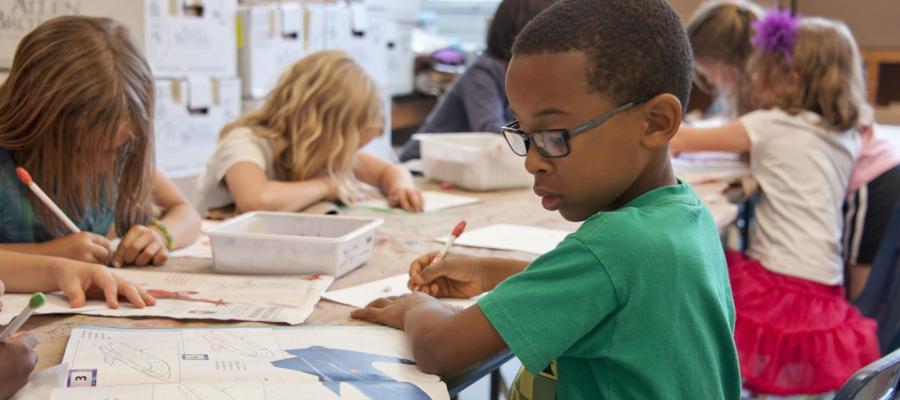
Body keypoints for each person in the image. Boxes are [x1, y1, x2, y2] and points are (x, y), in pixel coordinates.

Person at [353, 0, 741, 398]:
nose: (533, 162)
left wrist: (415, 309)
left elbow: (441, 348)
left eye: (555, 137)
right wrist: (488, 271)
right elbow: (614, 287)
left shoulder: (615, 245)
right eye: (525, 135)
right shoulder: (684, 216)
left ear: (655, 122)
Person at [670, 11, 880, 395]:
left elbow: (680, 140)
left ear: (790, 77)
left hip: (779, 283)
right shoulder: (843, 133)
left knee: (700, 288)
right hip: (825, 285)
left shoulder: (771, 124)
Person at [0, 16, 201, 268]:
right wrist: (51, 254)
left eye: (114, 149)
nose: (103, 164)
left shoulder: (121, 152)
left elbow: (186, 213)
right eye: (79, 148)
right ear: (35, 120)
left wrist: (159, 235)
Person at [197, 51, 423, 215]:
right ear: (318, 129)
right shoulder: (245, 142)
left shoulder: (324, 152)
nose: (349, 156)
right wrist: (327, 186)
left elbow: (389, 171)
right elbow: (256, 200)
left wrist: (401, 186)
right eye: (350, 147)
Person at [398, 0, 558, 161]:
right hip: (420, 165)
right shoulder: (483, 73)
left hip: (469, 167)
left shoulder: (523, 76)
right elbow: (490, 131)